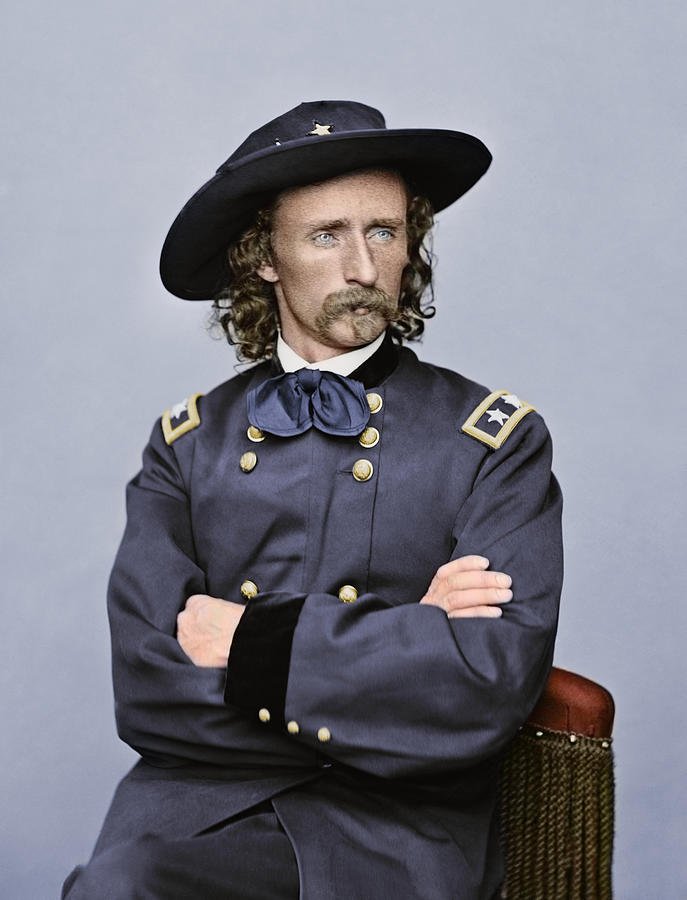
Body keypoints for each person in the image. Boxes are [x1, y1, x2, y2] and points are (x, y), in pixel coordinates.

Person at [63, 100, 563, 899]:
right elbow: (149, 693)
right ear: (264, 257)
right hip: (196, 812)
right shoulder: (187, 443)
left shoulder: (493, 442)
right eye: (326, 236)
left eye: (384, 232)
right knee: (124, 887)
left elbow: (482, 686)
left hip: (395, 833)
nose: (362, 268)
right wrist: (402, 649)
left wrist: (247, 643)